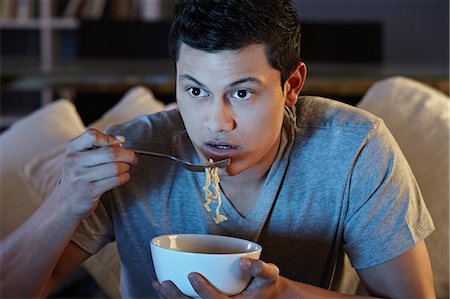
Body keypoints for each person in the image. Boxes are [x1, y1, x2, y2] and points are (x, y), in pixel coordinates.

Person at [0, 0, 436, 298]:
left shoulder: (353, 148)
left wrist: (283, 294)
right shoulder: (131, 151)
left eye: (242, 93)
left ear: (292, 87)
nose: (215, 122)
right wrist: (63, 202)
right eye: (195, 90)